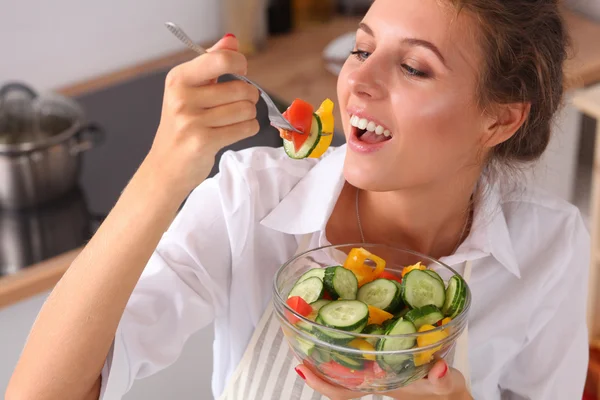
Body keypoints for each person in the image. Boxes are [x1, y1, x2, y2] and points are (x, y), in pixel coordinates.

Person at [6, 0, 590, 399]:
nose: (358, 81)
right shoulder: (251, 197)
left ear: (499, 119)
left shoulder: (551, 245)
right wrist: (163, 173)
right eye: (361, 50)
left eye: (413, 67)